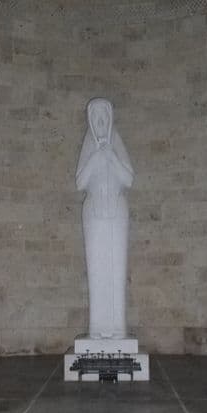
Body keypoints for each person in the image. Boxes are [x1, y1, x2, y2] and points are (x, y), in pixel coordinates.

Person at [76, 98, 134, 338]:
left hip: (117, 212)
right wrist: (96, 158)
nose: (100, 122)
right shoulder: (89, 146)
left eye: (104, 117)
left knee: (116, 270)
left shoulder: (116, 143)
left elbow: (128, 179)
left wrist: (111, 156)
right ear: (91, 121)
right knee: (97, 271)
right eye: (96, 118)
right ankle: (97, 327)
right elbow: (80, 183)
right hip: (94, 214)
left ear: (110, 120)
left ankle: (117, 328)